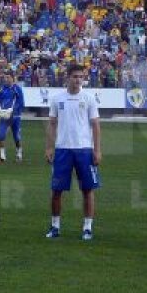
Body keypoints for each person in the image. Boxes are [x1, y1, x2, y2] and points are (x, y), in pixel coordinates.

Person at [45, 64, 102, 241]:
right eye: (75, 76)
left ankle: (87, 228)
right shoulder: (57, 99)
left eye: (81, 77)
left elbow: (96, 125)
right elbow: (52, 123)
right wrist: (49, 147)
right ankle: (55, 226)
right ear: (67, 77)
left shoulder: (89, 98)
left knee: (87, 190)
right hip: (62, 150)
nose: (78, 80)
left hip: (84, 150)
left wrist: (97, 150)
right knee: (56, 191)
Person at [0, 72, 25, 163]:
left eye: (8, 77)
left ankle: (19, 153)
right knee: (0, 135)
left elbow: (21, 102)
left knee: (16, 136)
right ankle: (2, 157)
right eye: (5, 77)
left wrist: (12, 110)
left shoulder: (17, 89)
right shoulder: (2, 88)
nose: (6, 79)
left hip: (15, 116)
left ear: (13, 78)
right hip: (4, 116)